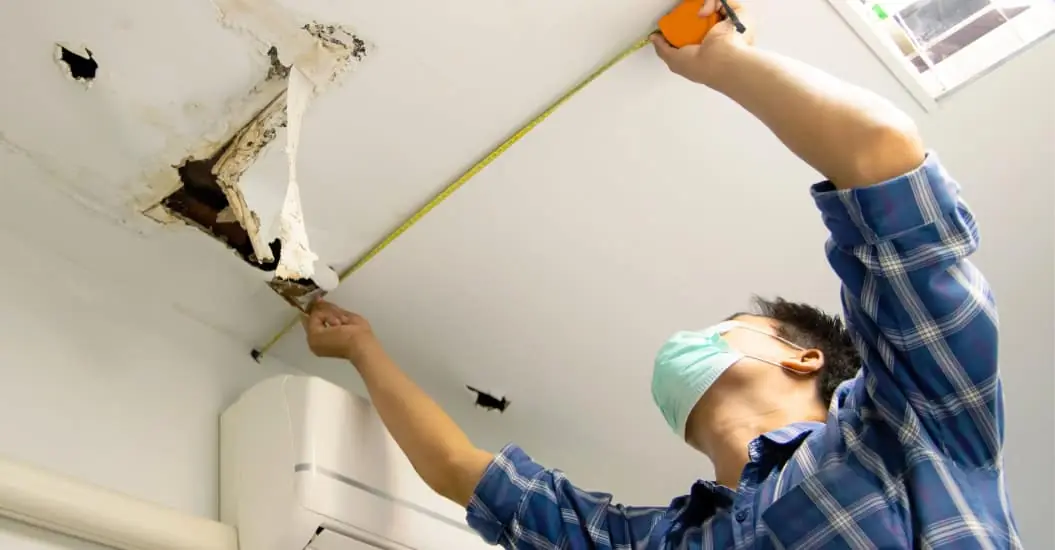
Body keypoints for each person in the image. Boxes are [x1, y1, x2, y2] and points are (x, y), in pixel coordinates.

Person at [302, 1, 1016, 547]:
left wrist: (720, 56)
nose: (692, 342)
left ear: (805, 356)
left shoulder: (911, 420)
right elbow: (463, 468)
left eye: (726, 329)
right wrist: (361, 346)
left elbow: (880, 156)